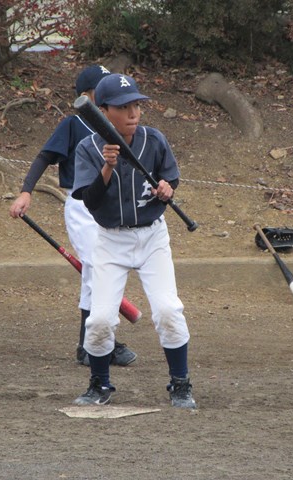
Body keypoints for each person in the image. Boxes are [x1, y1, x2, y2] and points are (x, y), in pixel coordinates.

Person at [71, 73, 196, 408]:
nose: (133, 113)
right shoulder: (88, 148)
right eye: (123, 107)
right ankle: (99, 384)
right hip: (110, 240)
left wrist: (167, 188)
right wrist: (107, 168)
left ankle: (180, 384)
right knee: (99, 319)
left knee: (168, 310)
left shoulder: (153, 139)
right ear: (103, 111)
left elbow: (170, 177)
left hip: (152, 236)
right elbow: (90, 201)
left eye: (137, 105)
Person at [9, 65, 137, 367]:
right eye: (101, 90)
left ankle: (89, 344)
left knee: (98, 273)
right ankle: (100, 342)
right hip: (82, 207)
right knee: (99, 270)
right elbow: (45, 156)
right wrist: (26, 191)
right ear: (87, 96)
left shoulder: (120, 128)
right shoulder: (74, 124)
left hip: (111, 207)